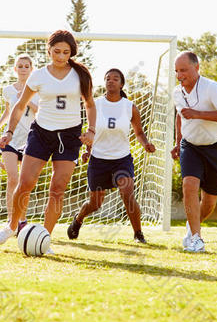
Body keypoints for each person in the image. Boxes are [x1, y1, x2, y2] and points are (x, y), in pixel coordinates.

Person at [0, 30, 96, 253]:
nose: (60, 56)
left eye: (65, 52)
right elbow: (20, 105)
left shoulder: (81, 75)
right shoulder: (38, 75)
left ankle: (45, 239)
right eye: (56, 51)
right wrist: (9, 131)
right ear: (48, 50)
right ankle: (12, 226)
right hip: (41, 133)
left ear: (71, 52)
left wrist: (92, 131)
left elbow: (90, 105)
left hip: (69, 137)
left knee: (57, 188)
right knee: (26, 182)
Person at [67, 68, 156, 243]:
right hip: (98, 160)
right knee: (95, 204)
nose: (111, 81)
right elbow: (90, 130)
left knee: (127, 193)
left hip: (121, 159)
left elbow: (139, 132)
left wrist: (146, 144)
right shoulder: (95, 104)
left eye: (115, 78)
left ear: (121, 84)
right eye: (108, 78)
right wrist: (87, 151)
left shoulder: (130, 107)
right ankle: (78, 219)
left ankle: (138, 234)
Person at [170, 51, 217, 253]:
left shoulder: (211, 87)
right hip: (190, 146)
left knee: (209, 202)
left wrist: (198, 114)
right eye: (176, 71)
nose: (179, 75)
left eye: (184, 70)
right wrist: (178, 141)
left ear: (197, 68)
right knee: (189, 185)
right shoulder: (177, 92)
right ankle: (197, 239)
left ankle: (191, 229)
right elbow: (181, 117)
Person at [0, 54, 39, 231]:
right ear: (15, 69)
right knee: (12, 178)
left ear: (31, 69)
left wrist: (27, 100)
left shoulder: (37, 90)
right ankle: (11, 221)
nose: (23, 69)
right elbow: (8, 112)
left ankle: (21, 219)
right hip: (10, 138)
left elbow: (40, 111)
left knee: (25, 182)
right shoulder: (8, 90)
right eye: (20, 66)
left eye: (26, 66)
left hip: (30, 141)